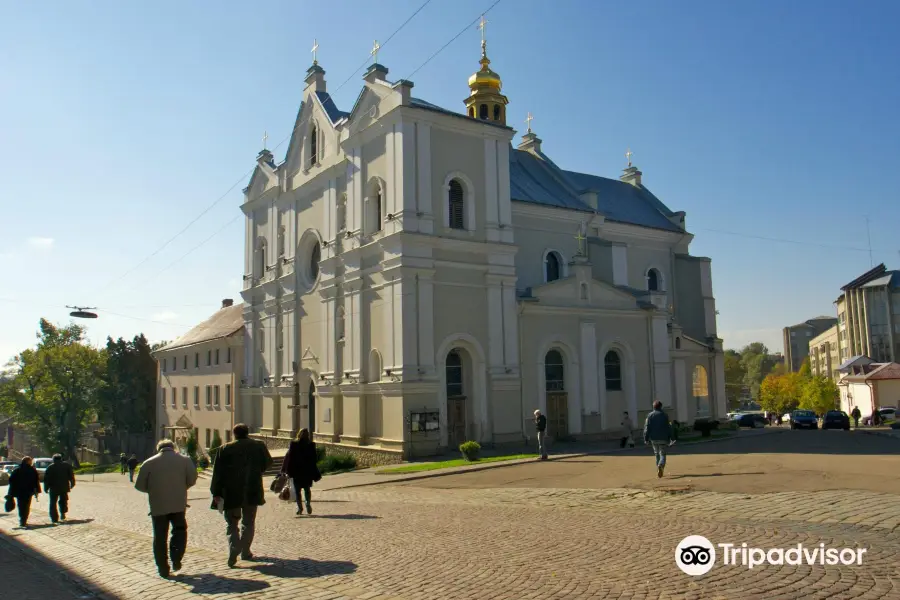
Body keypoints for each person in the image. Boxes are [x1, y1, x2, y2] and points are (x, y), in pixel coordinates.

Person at [211, 423, 273, 567]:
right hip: (252, 489)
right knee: (248, 522)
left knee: (232, 523)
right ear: (247, 433)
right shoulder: (259, 446)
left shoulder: (225, 449)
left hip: (231, 492)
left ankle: (234, 547)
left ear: (234, 434)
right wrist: (257, 471)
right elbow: (268, 462)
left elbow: (217, 473)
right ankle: (245, 551)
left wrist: (216, 492)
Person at [134, 439, 198, 578]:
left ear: (159, 449)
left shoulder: (149, 463)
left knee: (160, 537)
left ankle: (163, 568)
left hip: (158, 505)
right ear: (173, 447)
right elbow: (192, 480)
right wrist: (182, 487)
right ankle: (176, 558)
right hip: (178, 503)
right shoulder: (185, 460)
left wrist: (153, 490)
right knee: (179, 531)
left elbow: (139, 485)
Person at [281, 428, 321, 516]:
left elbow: (290, 458)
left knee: (297, 491)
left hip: (296, 471)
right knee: (307, 489)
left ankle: (300, 508)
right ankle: (307, 503)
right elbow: (314, 459)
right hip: (307, 471)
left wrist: (287, 471)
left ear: (299, 434)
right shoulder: (311, 444)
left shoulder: (294, 444)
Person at [7, 456, 40, 527]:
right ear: (28, 462)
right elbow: (36, 481)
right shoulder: (32, 470)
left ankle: (22, 519)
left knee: (20, 505)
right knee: (27, 506)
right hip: (28, 491)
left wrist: (11, 492)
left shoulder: (17, 470)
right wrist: (37, 490)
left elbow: (11, 481)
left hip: (19, 492)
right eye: (30, 461)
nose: (31, 463)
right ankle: (24, 519)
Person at [643, 400, 673, 478]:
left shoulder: (649, 415)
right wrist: (671, 437)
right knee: (662, 454)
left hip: (653, 438)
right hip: (663, 438)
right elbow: (669, 427)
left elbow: (647, 428)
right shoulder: (665, 415)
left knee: (656, 454)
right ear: (661, 406)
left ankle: (658, 468)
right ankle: (661, 465)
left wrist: (646, 438)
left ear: (653, 407)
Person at [43, 454, 75, 523]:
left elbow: (47, 479)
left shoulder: (50, 467)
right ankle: (63, 513)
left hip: (53, 488)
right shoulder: (66, 466)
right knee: (63, 500)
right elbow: (71, 475)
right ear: (61, 459)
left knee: (53, 503)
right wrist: (72, 483)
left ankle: (54, 518)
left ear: (53, 459)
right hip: (64, 487)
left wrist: (46, 488)